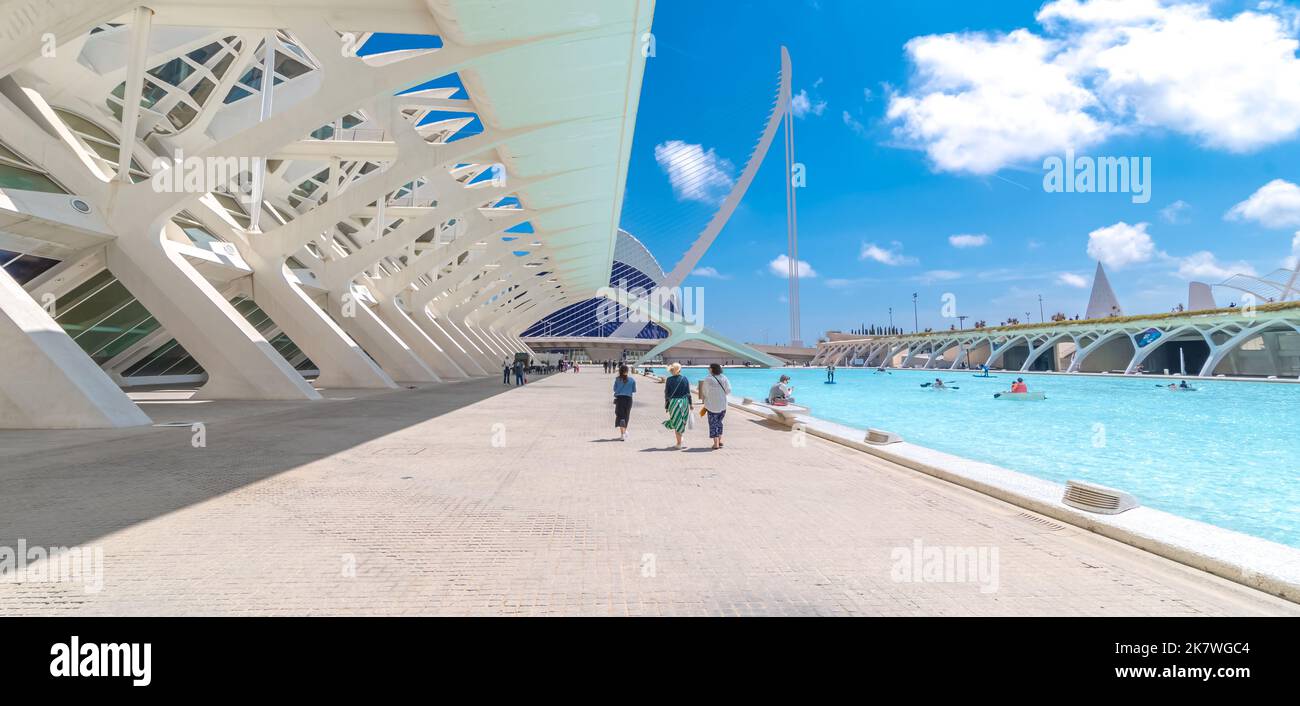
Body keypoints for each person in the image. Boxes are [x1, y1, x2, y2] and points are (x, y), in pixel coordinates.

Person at [698, 363, 731, 450]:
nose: (708, 369)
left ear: (712, 369)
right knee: (719, 423)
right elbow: (728, 390)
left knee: (713, 424)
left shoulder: (708, 379)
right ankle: (720, 441)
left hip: (711, 405)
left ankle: (716, 443)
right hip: (723, 405)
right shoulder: (724, 378)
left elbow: (704, 392)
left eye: (709, 368)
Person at [662, 362, 692, 449]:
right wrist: (690, 404)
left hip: (674, 403)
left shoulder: (669, 379)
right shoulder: (685, 379)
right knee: (682, 421)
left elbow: (667, 394)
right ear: (680, 370)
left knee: (675, 421)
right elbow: (688, 393)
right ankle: (680, 439)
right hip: (684, 402)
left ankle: (679, 443)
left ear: (671, 370)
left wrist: (667, 406)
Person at [613, 364, 636, 441]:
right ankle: (624, 431)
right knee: (626, 416)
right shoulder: (632, 380)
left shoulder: (617, 379)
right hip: (628, 399)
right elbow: (634, 390)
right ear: (627, 371)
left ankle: (623, 434)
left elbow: (614, 389)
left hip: (620, 399)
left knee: (620, 416)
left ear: (620, 371)